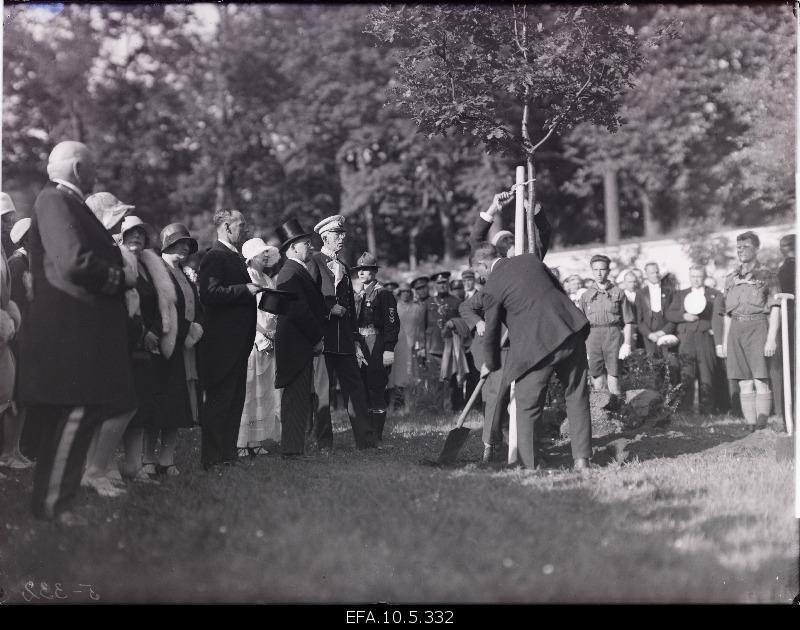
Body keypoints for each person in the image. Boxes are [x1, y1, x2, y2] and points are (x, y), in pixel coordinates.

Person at [19, 141, 137, 526]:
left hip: (81, 327)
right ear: (76, 167)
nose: (97, 172)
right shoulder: (55, 200)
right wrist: (122, 278)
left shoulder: (68, 203)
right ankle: (54, 504)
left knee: (84, 410)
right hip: (71, 328)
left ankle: (57, 501)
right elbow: (72, 262)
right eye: (93, 165)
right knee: (76, 411)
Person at [475, 242, 592, 470]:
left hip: (536, 348)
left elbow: (490, 331)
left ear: (483, 263)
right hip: (569, 330)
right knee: (577, 396)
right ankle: (582, 460)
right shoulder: (530, 260)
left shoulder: (492, 286)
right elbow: (558, 289)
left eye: (478, 271)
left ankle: (528, 465)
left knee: (527, 405)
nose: (479, 276)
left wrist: (490, 363)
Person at [307, 215, 376, 451]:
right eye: (338, 235)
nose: (342, 238)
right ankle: (324, 443)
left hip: (345, 340)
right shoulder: (313, 262)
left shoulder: (345, 268)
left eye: (343, 234)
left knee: (356, 390)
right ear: (325, 237)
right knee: (323, 394)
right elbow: (307, 299)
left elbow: (350, 309)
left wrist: (356, 341)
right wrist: (327, 309)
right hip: (323, 340)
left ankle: (366, 441)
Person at [115, 216, 176, 484]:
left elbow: (159, 303)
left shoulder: (149, 266)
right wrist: (142, 333)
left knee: (142, 407)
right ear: (121, 236)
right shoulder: (118, 262)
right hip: (125, 345)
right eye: (131, 233)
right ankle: (107, 465)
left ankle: (134, 464)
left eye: (141, 234)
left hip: (148, 346)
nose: (136, 238)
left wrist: (153, 330)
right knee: (123, 407)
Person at [197, 209, 258, 471]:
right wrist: (243, 289)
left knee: (234, 400)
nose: (245, 229)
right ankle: (212, 459)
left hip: (238, 343)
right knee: (220, 400)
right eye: (240, 225)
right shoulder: (214, 256)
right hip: (222, 344)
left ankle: (227, 455)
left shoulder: (232, 256)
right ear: (225, 226)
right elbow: (209, 294)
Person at [147, 223, 203, 477]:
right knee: (156, 403)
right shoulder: (155, 269)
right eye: (179, 242)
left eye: (187, 244)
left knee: (176, 404)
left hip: (183, 345)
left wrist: (195, 328)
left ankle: (167, 459)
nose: (184, 247)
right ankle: (148, 458)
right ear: (166, 244)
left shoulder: (184, 273)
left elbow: (193, 305)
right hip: (160, 344)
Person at [273, 219, 325, 458]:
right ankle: (292, 450)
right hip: (296, 343)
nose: (311, 247)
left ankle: (294, 447)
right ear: (292, 248)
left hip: (299, 342)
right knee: (295, 397)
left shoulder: (295, 270)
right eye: (306, 243)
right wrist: (317, 337)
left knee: (300, 397)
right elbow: (298, 310)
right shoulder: (289, 272)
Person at [719, 231, 781, 431]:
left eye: (746, 247)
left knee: (760, 379)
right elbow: (727, 314)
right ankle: (751, 426)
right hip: (736, 329)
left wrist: (771, 339)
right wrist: (725, 341)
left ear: (756, 249)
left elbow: (775, 309)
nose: (741, 251)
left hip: (758, 328)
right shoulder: (730, 278)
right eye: (738, 247)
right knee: (743, 382)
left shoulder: (768, 276)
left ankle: (762, 426)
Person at [236, 238, 282, 457]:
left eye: (267, 252)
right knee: (248, 389)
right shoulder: (247, 277)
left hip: (270, 336)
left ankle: (256, 440)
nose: (265, 256)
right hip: (253, 337)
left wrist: (273, 331)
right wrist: (262, 334)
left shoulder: (267, 279)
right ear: (251, 255)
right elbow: (247, 312)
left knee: (264, 391)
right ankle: (240, 442)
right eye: (261, 252)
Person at [352, 252, 400, 442]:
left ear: (374, 271)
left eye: (366, 269)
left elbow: (392, 324)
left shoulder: (384, 294)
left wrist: (389, 348)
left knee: (376, 387)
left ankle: (376, 434)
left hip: (376, 343)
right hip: (360, 344)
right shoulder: (358, 295)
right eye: (359, 270)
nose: (362, 273)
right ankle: (365, 433)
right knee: (361, 387)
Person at [577, 254, 633, 407]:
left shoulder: (618, 293)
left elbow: (628, 321)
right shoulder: (586, 296)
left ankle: (619, 413)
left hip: (613, 334)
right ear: (592, 271)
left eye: (602, 269)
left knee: (614, 377)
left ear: (608, 271)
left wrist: (627, 344)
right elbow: (580, 324)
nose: (599, 273)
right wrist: (582, 346)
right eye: (595, 270)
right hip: (592, 336)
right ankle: (601, 415)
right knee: (596, 377)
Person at [666, 265, 722, 414]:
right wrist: (683, 316)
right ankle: (686, 411)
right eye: (693, 276)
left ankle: (708, 411)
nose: (696, 279)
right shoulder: (680, 294)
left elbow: (718, 318)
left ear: (704, 277)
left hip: (705, 337)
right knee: (686, 375)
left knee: (707, 374)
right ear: (689, 277)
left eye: (699, 276)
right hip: (686, 339)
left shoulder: (714, 294)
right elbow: (669, 314)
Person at [6, 214, 37, 463]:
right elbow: (15, 304)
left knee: (24, 396)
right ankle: (8, 451)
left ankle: (16, 449)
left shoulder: (32, 264)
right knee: (15, 395)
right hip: (20, 339)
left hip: (31, 340)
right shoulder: (17, 265)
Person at [424, 271, 467, 412]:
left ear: (448, 283)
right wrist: (421, 347)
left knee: (452, 380)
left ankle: (454, 407)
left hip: (451, 346)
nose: (442, 285)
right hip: (433, 347)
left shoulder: (456, 302)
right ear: (435, 285)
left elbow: (464, 323)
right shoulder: (428, 302)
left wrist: (454, 323)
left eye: (444, 282)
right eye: (439, 283)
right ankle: (437, 409)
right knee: (436, 380)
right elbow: (422, 326)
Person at [635, 262, 678, 382]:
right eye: (652, 272)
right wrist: (649, 334)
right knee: (653, 370)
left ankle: (673, 397)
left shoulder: (670, 291)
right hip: (649, 336)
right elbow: (639, 319)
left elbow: (673, 316)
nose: (655, 275)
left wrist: (663, 332)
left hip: (666, 333)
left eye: (657, 271)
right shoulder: (640, 293)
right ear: (646, 275)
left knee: (671, 367)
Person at [388, 281, 425, 410]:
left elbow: (421, 328)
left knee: (409, 376)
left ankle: (409, 406)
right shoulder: (394, 308)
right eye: (402, 292)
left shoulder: (417, 308)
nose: (405, 294)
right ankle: (392, 405)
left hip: (412, 346)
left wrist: (421, 345)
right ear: (399, 293)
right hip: (397, 346)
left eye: (408, 291)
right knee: (393, 377)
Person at [777, 234, 795, 416]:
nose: (784, 248)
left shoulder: (790, 268)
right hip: (788, 320)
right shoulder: (783, 268)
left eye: (789, 245)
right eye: (782, 246)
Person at [620, 271, 642, 350]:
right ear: (624, 282)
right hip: (626, 331)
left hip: (641, 330)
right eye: (629, 282)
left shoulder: (642, 295)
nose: (632, 284)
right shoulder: (620, 296)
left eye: (634, 282)